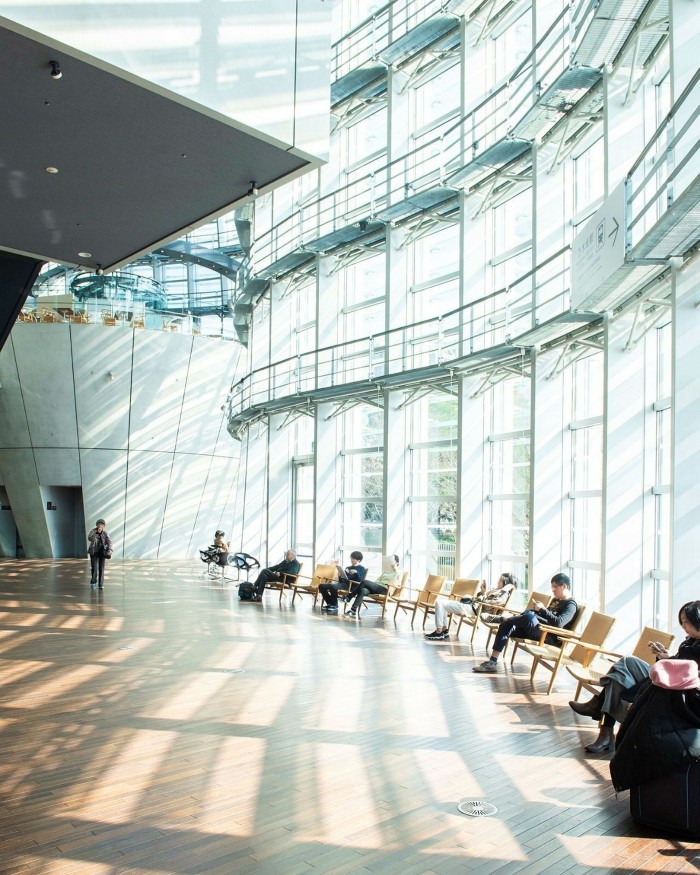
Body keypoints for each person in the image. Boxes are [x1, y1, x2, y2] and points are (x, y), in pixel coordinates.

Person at [570, 600, 700, 754]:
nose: (683, 626)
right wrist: (664, 655)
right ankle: (603, 724)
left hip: (674, 691)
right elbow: (677, 664)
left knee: (617, 678)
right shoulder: (690, 641)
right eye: (682, 622)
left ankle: (602, 721)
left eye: (686, 622)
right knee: (626, 663)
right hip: (663, 680)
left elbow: (686, 675)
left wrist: (669, 658)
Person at [473, 572, 577, 673]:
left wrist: (542, 610)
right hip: (537, 630)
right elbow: (548, 617)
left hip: (547, 637)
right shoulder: (556, 600)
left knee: (529, 618)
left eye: (555, 587)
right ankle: (492, 662)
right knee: (506, 625)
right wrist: (537, 610)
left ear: (564, 586)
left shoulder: (571, 605)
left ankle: (501, 618)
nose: (553, 591)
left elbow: (559, 623)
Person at [425, 573, 517, 640]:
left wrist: (481, 597)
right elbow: (486, 599)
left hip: (472, 609)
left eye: (500, 580)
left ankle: (439, 631)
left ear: (505, 582)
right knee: (443, 604)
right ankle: (443, 630)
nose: (498, 582)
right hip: (472, 607)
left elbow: (493, 602)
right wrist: (482, 592)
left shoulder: (503, 595)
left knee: (439, 603)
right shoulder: (498, 591)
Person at [87, 518, 113, 590]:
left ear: (104, 526)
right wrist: (96, 533)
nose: (100, 525)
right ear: (96, 525)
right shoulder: (93, 531)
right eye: (99, 524)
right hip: (93, 552)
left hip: (102, 552)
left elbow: (109, 542)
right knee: (94, 568)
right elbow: (89, 538)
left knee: (101, 568)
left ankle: (101, 584)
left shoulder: (105, 533)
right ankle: (93, 582)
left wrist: (110, 550)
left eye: (102, 524)